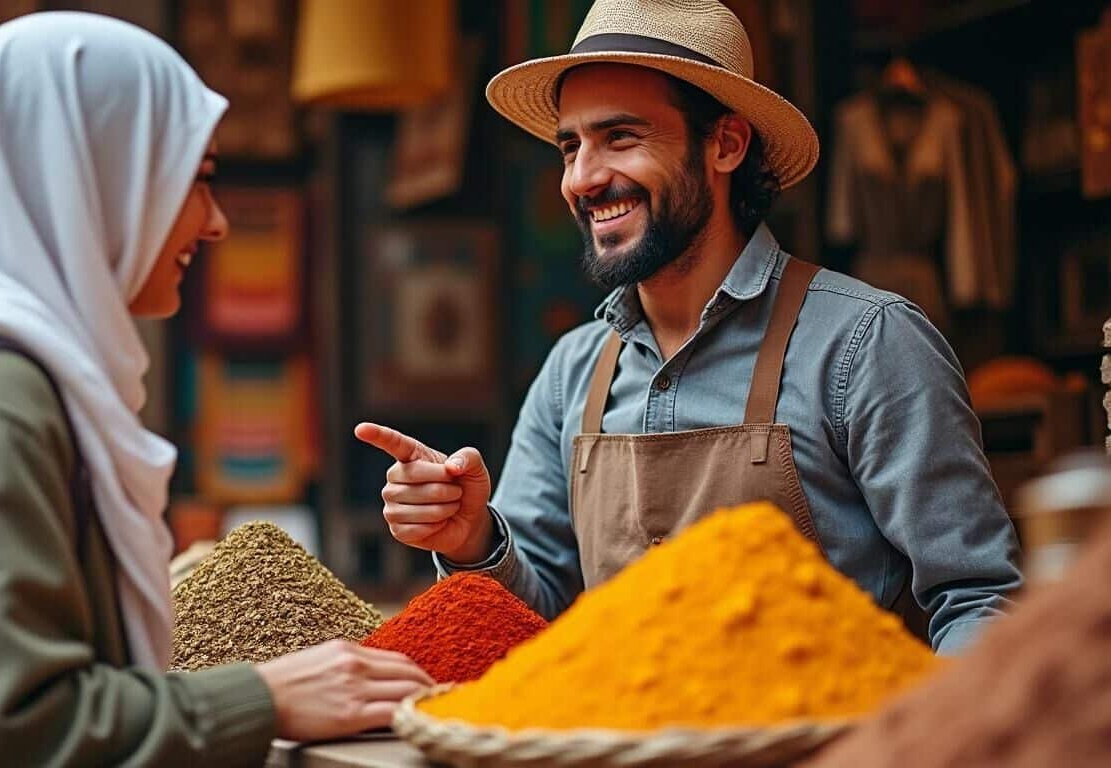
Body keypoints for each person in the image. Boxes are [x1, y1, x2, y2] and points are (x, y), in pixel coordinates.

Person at [0, 13, 429, 767]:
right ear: (92, 176)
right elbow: (3, 729)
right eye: (198, 180)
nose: (214, 225)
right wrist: (264, 698)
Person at [357, 0, 1021, 655]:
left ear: (726, 144)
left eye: (620, 137)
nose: (583, 179)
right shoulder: (571, 374)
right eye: (570, 146)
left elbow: (977, 602)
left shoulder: (866, 345)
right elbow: (540, 626)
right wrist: (473, 538)